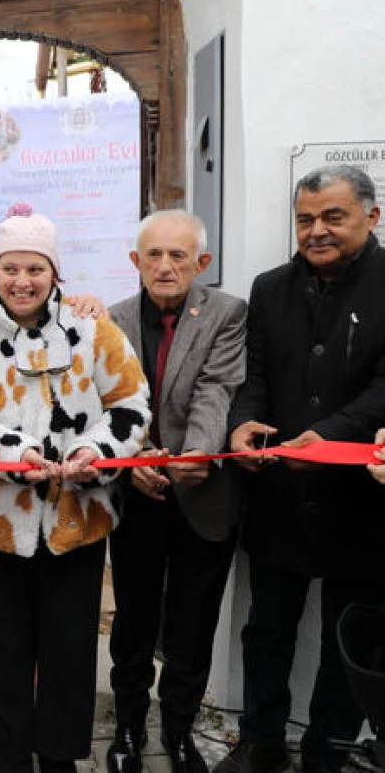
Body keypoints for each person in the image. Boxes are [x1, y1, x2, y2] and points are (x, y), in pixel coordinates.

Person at [0, 204, 150, 773]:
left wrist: (93, 453)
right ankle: (4, 757)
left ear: (55, 273)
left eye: (35, 269)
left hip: (76, 520)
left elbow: (130, 403)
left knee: (71, 649)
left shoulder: (90, 328)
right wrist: (11, 451)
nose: (22, 281)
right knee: (5, 650)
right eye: (10, 269)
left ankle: (59, 756)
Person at [220, 164, 385, 773]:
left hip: (362, 501)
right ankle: (261, 741)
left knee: (349, 640)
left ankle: (328, 752)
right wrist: (244, 422)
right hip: (280, 497)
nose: (317, 230)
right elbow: (255, 374)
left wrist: (333, 434)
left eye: (333, 217)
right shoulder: (270, 288)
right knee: (266, 630)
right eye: (305, 219)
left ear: (372, 216)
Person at [106, 210, 247, 773]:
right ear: (136, 261)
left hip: (203, 493)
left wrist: (197, 452)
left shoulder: (228, 314)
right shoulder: (111, 320)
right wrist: (131, 458)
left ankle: (180, 730)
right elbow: (110, 398)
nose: (165, 267)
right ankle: (127, 730)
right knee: (133, 623)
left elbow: (218, 389)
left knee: (193, 624)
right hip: (137, 494)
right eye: (154, 256)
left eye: (178, 256)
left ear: (201, 263)